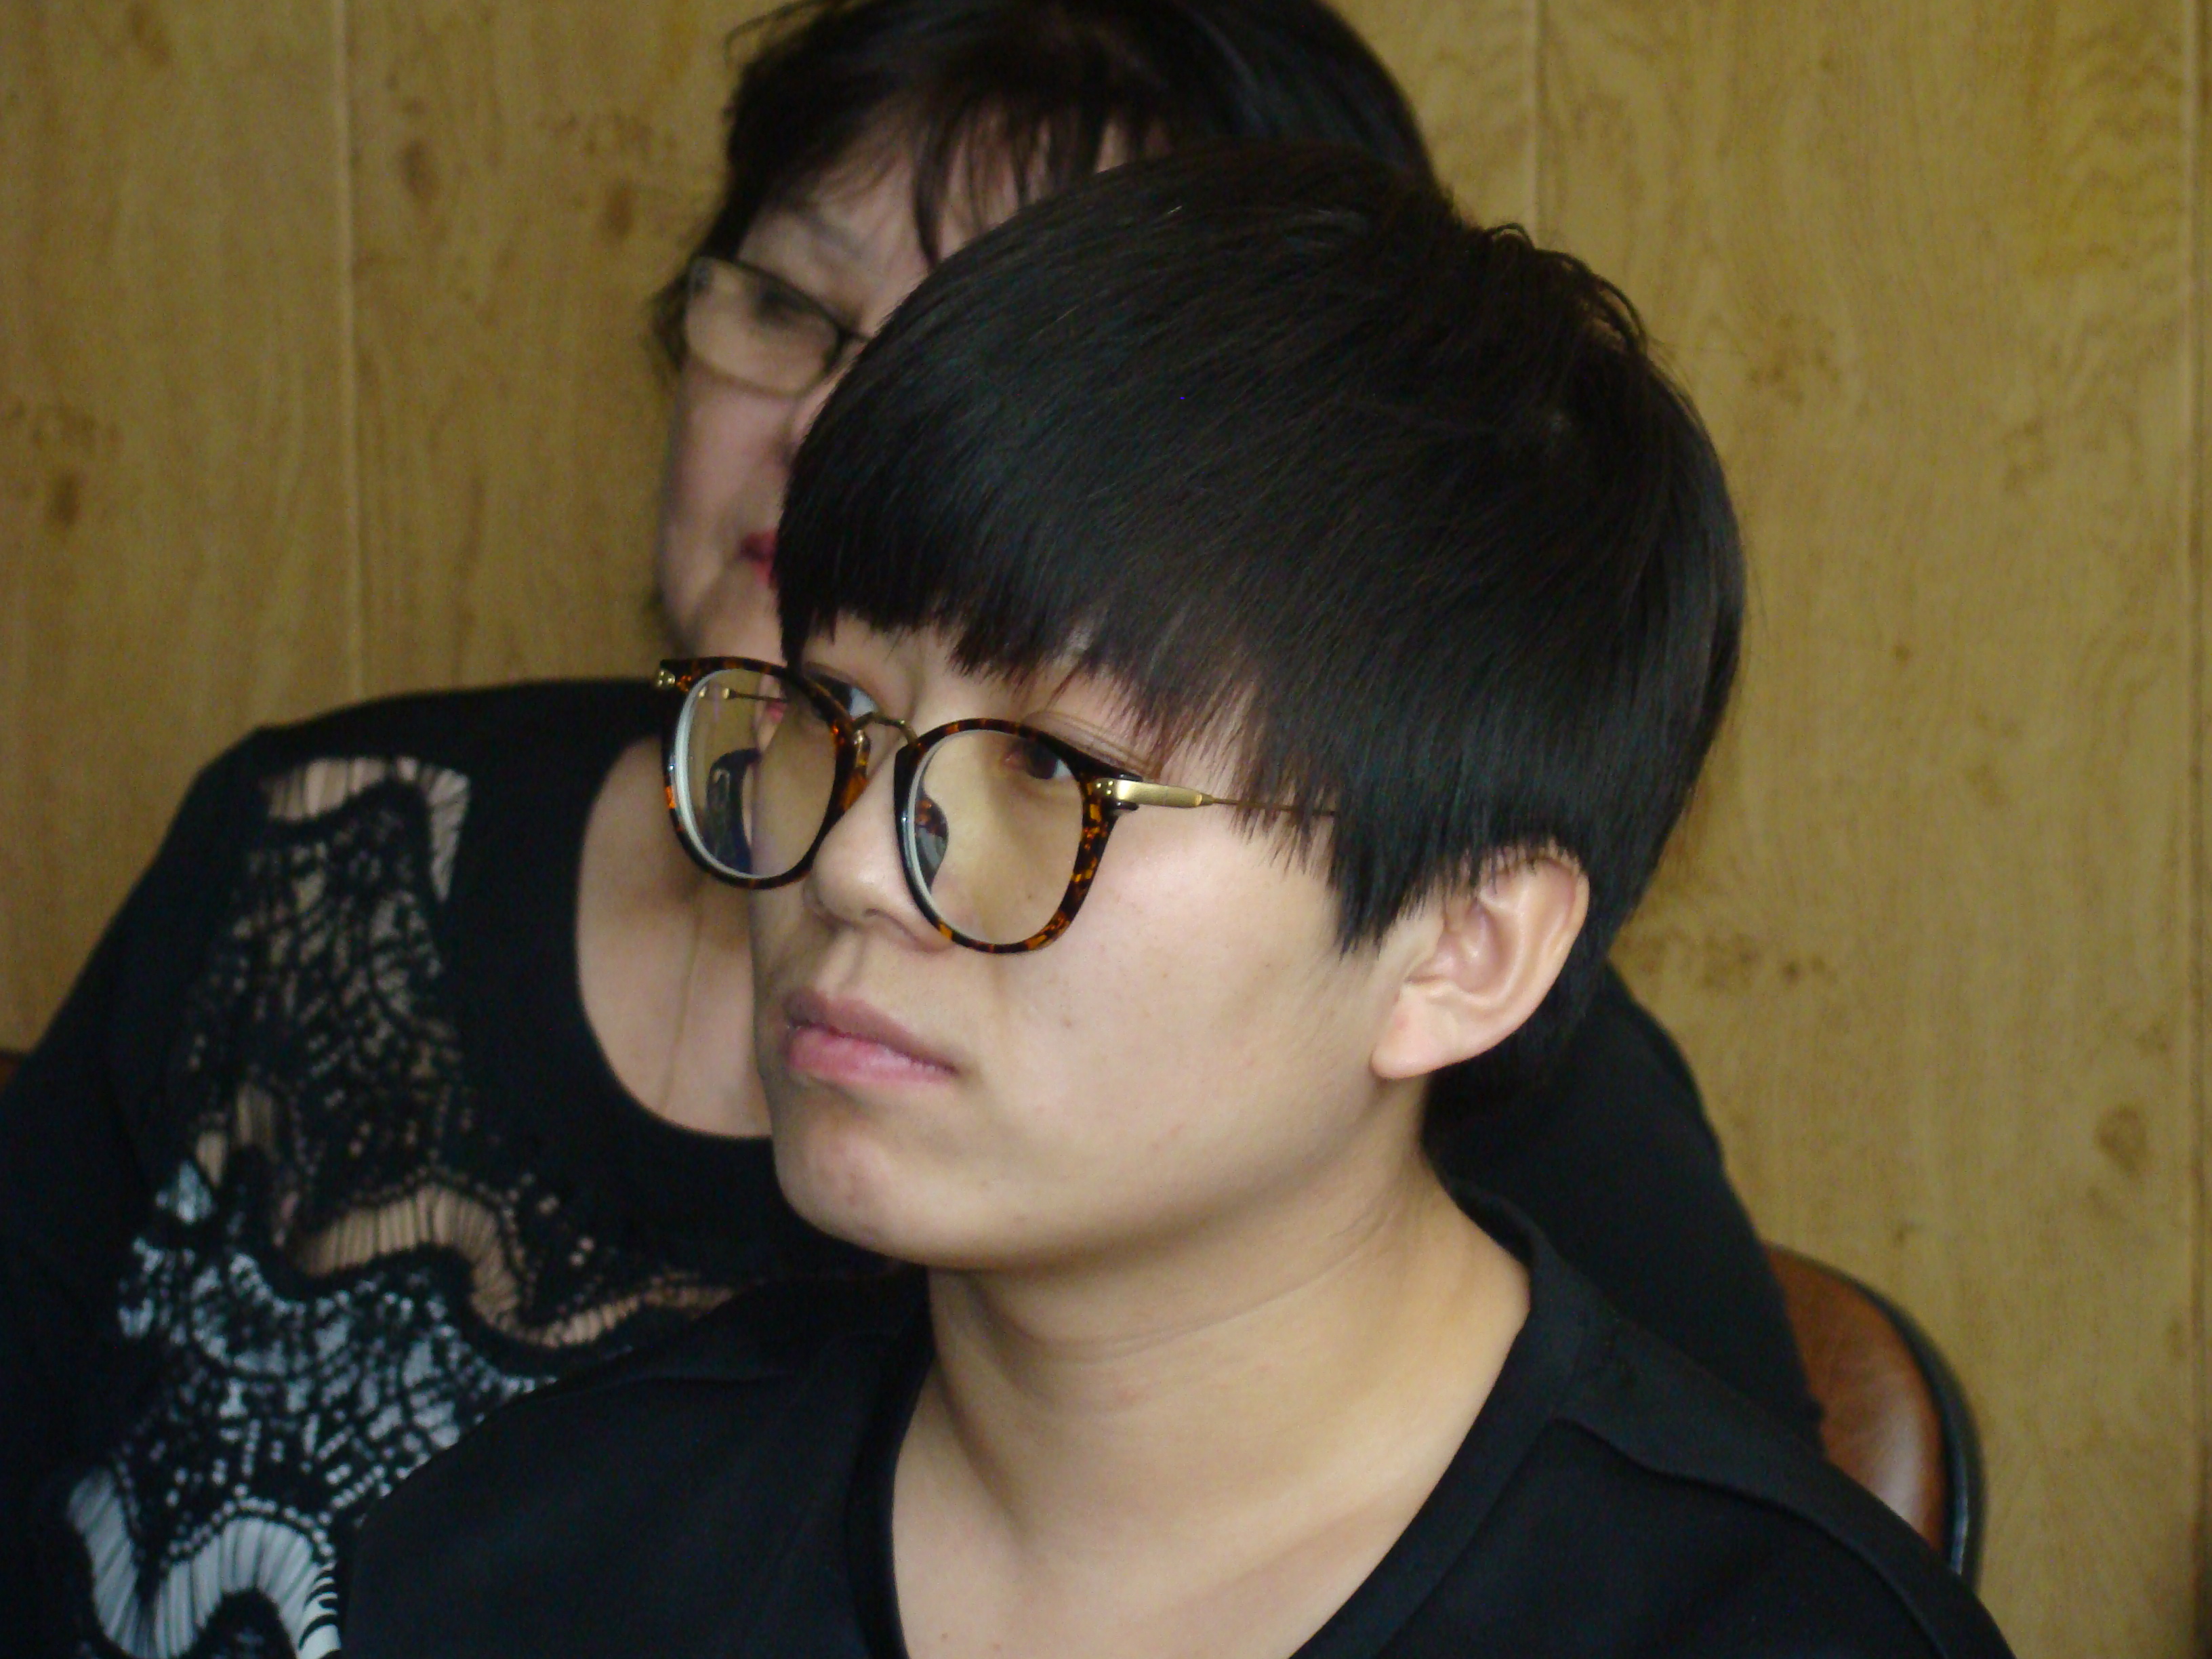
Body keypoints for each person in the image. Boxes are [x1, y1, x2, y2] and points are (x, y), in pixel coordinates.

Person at [0, 4, 1808, 1656]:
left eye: (1048, 773)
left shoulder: (1655, 1483)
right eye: (793, 309)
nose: (856, 864)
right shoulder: (557, 1518)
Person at [350, 145, 2010, 1658]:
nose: (851, 865)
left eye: (1048, 770)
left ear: (1461, 947)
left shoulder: (1777, 1632)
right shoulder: (540, 1558)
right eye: (831, 716)